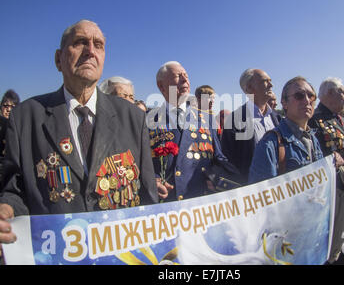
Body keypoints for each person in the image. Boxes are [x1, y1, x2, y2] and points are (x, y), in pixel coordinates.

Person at [0, 20, 159, 252]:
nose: (91, 51)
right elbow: (15, 189)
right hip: (57, 253)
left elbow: (147, 195)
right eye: (80, 42)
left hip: (119, 254)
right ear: (58, 59)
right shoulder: (25, 117)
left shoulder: (132, 117)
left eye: (99, 45)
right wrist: (7, 208)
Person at [308, 77, 344, 264]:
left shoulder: (343, 120)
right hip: (331, 193)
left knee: (343, 232)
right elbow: (313, 159)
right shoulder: (314, 121)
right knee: (326, 240)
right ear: (329, 94)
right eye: (342, 92)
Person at [147, 61, 227, 201]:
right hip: (164, 205)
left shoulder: (207, 119)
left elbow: (219, 159)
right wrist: (151, 180)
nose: (185, 80)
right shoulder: (147, 120)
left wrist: (214, 176)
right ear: (161, 86)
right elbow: (138, 162)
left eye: (186, 75)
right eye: (178, 76)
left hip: (199, 202)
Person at [249, 76, 323, 182]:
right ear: (284, 103)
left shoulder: (313, 138)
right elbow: (264, 193)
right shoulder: (270, 144)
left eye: (311, 96)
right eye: (299, 96)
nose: (307, 100)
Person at [221, 68, 281, 184]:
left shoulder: (277, 118)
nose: (271, 85)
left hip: (280, 188)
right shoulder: (234, 121)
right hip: (252, 192)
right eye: (265, 81)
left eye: (270, 81)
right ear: (249, 88)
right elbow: (229, 162)